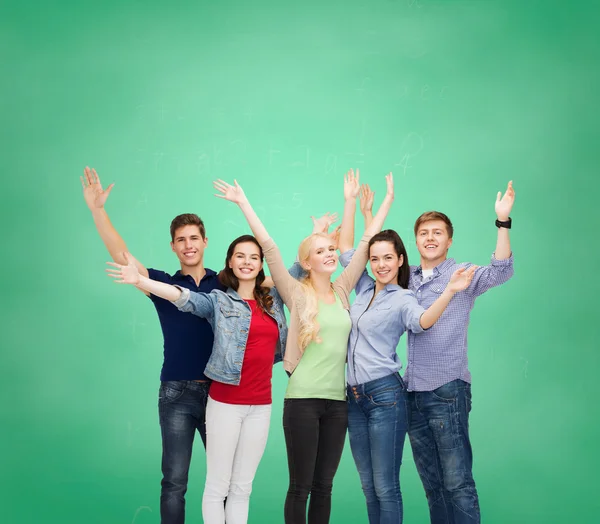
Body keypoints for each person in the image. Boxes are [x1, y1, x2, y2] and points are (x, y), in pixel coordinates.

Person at [212, 171, 394, 524]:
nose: (329, 254)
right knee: (301, 487)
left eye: (331, 249)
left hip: (338, 403)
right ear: (307, 262)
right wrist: (242, 202)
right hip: (302, 402)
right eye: (320, 251)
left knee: (324, 486)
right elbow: (270, 249)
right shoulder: (296, 292)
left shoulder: (342, 290)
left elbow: (368, 240)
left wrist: (366, 202)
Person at [360, 181, 516, 524]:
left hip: (448, 389)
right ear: (415, 241)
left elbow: (502, 270)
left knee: (457, 483)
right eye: (424, 233)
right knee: (432, 486)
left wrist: (502, 222)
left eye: (438, 233)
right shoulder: (407, 278)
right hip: (411, 393)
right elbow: (372, 260)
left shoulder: (464, 275)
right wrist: (369, 214)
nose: (430, 238)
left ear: (449, 240)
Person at [106, 234, 288, 524]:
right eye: (240, 256)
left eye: (254, 257)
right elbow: (183, 298)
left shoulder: (273, 300)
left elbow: (296, 276)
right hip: (224, 402)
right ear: (229, 261)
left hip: (261, 406)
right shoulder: (218, 300)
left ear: (262, 263)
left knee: (241, 488)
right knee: (215, 486)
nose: (247, 262)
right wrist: (140, 281)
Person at [80, 167, 223, 524]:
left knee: (224, 482)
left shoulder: (225, 283)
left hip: (222, 393)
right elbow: (122, 256)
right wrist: (98, 211)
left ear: (205, 242)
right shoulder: (161, 284)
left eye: (194, 237)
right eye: (181, 239)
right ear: (173, 246)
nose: (188, 244)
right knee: (174, 482)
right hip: (176, 392)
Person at [335, 176, 477, 524]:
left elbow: (423, 322)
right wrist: (354, 205)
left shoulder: (404, 297)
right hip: (353, 396)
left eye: (388, 258)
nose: (381, 264)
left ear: (402, 260)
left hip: (385, 393)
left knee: (389, 486)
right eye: (375, 259)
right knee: (371, 486)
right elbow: (346, 251)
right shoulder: (365, 287)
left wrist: (449, 292)